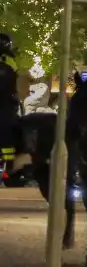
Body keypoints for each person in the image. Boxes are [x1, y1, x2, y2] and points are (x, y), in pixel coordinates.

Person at [0, 33, 23, 179]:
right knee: (9, 132)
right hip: (6, 103)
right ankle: (10, 168)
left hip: (6, 102)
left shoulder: (9, 60)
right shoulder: (10, 60)